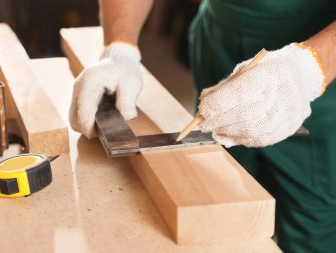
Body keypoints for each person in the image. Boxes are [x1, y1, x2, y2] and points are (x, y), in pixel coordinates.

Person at [69, 0, 336, 252]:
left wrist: (309, 68)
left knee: (312, 224)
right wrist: (120, 48)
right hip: (222, 41)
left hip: (320, 69)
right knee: (216, 202)